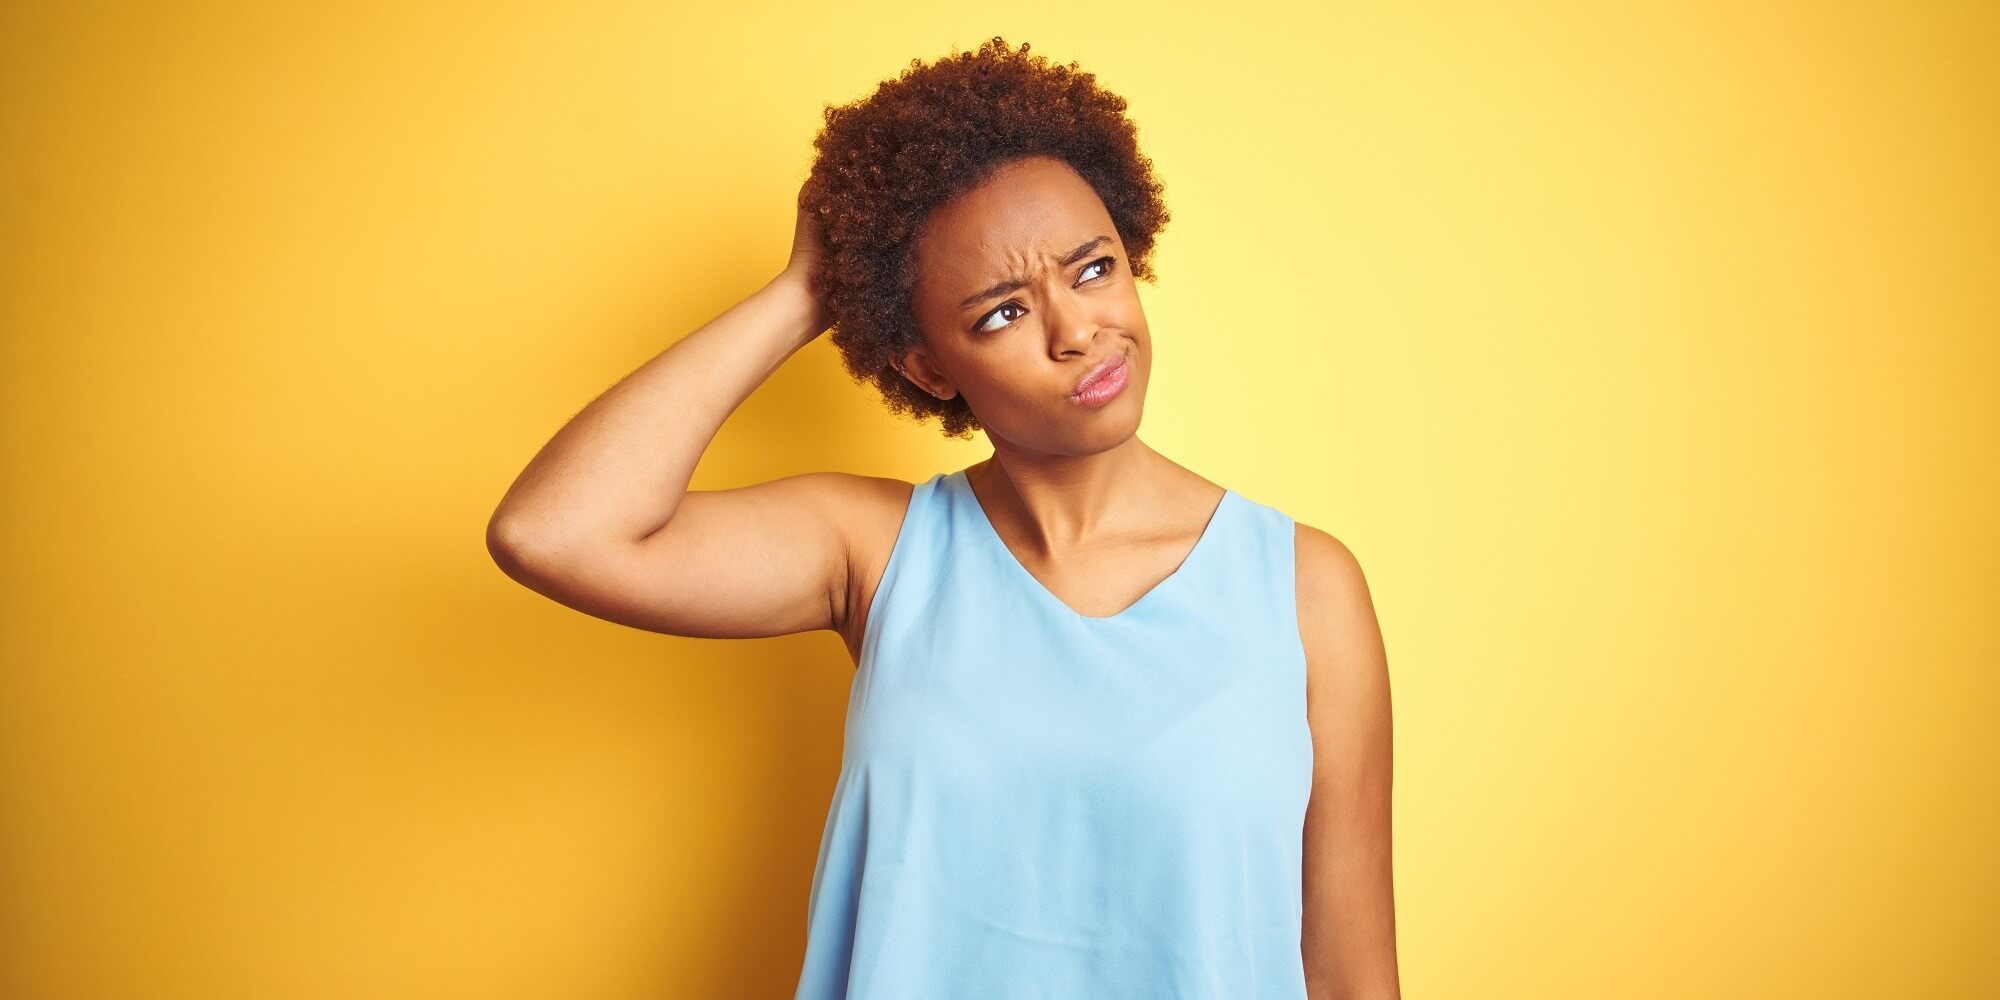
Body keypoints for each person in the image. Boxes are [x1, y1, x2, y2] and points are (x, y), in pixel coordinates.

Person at [487, 36, 1398, 1000]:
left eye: (1092, 269)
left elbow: (1349, 976)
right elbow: (553, 532)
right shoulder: (875, 552)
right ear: (926, 367)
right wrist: (806, 293)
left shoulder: (1303, 587)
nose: (1077, 330)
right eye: (1001, 313)